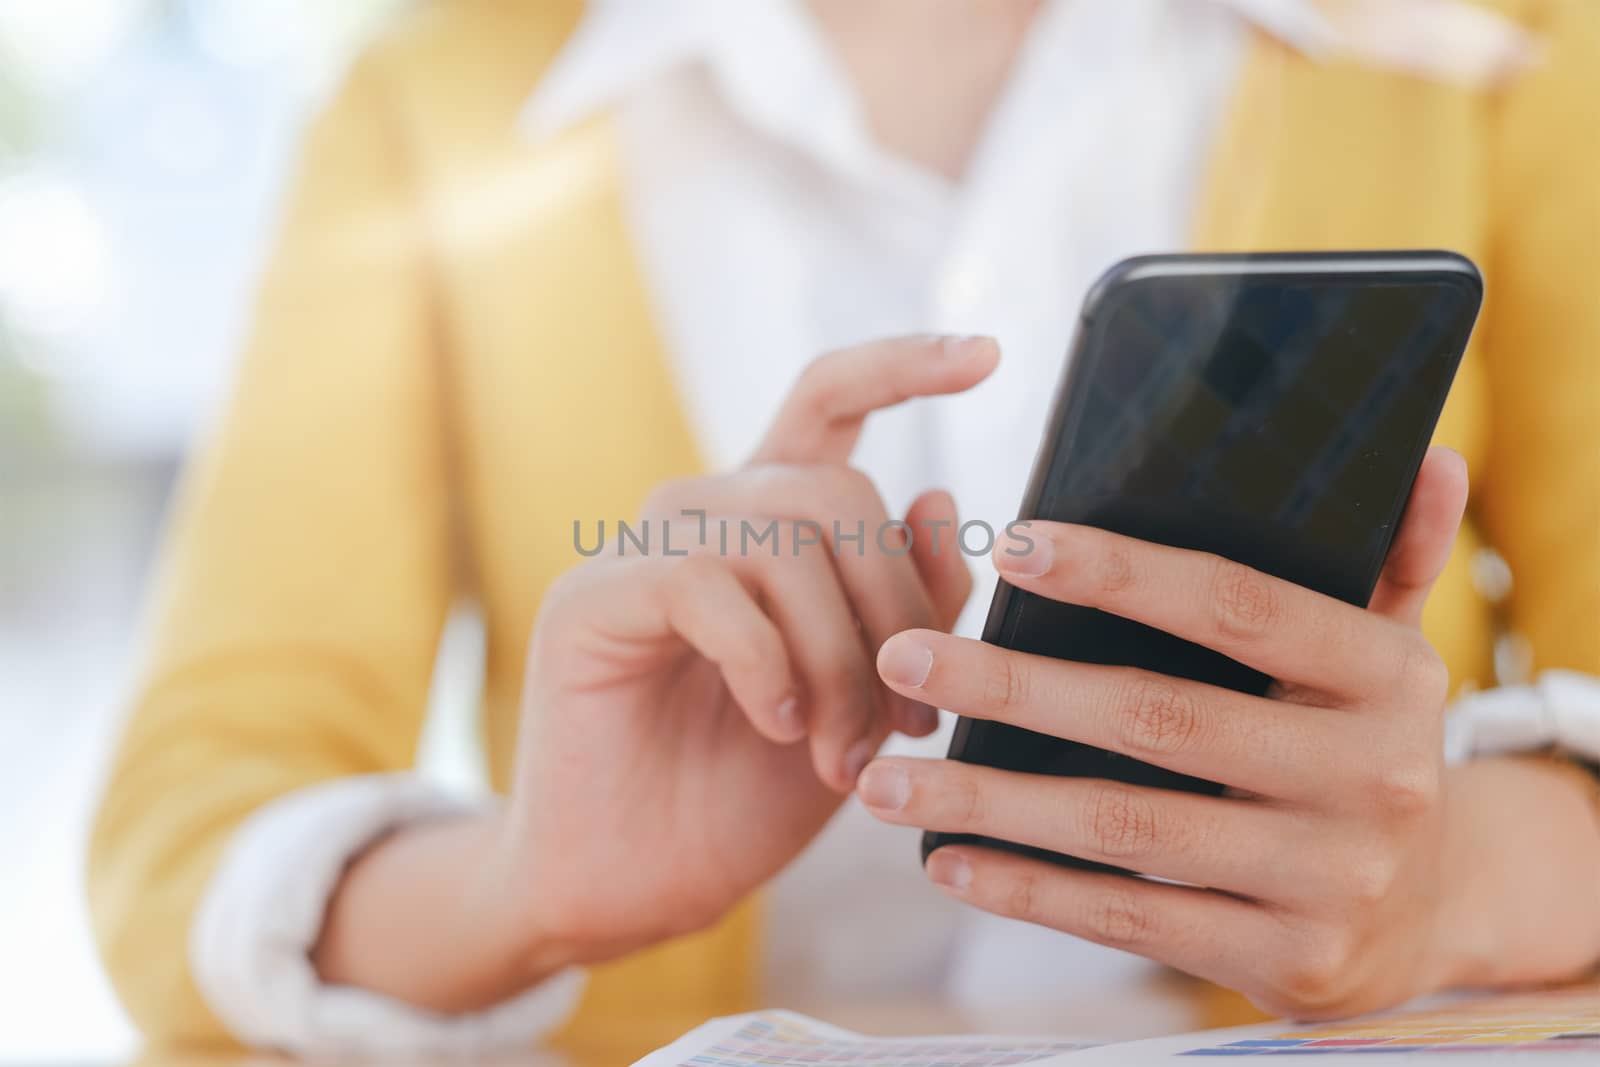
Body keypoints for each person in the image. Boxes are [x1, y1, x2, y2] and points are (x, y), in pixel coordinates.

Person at [88, 0, 1600, 1058]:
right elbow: (187, 835)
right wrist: (519, 889)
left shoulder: (1504, 49)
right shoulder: (428, 103)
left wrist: (1450, 885)